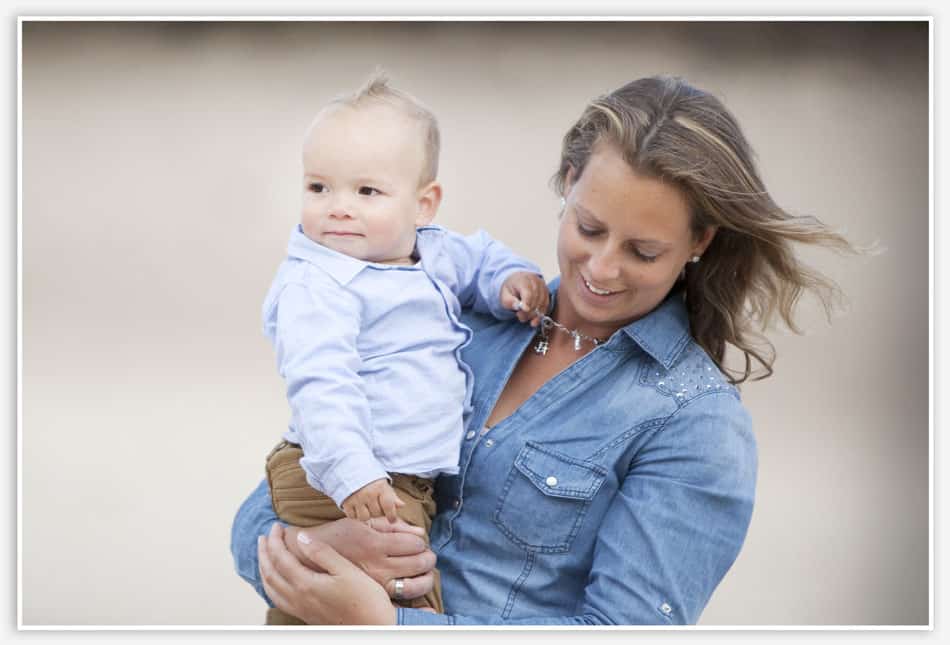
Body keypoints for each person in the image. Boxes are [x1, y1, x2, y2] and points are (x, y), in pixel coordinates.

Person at [232, 74, 857, 625]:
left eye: (643, 252)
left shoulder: (697, 424)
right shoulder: (457, 314)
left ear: (699, 242)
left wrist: (387, 625)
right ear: (567, 184)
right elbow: (252, 523)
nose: (602, 268)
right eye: (589, 228)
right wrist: (320, 550)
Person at [257, 72, 549, 623]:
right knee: (405, 593)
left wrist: (511, 280)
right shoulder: (317, 284)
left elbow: (481, 260)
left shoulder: (432, 252)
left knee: (338, 602)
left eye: (366, 191)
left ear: (424, 204)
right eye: (318, 188)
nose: (338, 207)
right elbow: (322, 386)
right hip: (347, 474)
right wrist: (353, 475)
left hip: (397, 478)